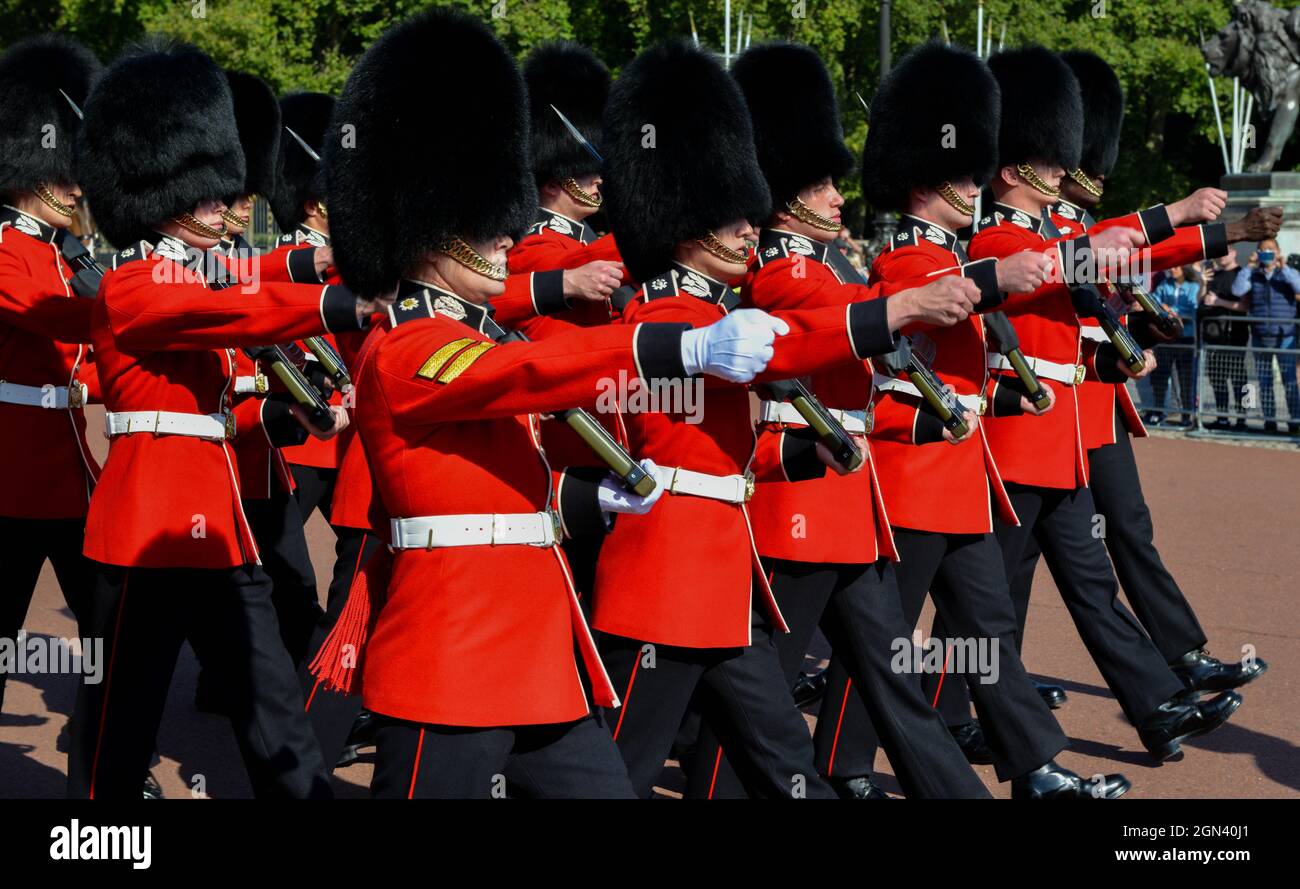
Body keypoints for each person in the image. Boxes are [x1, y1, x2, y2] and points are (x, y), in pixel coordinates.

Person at [310, 9, 785, 798]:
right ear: (430, 231)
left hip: (537, 652)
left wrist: (586, 497)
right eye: (486, 226)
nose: (506, 238)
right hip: (451, 654)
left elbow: (500, 478)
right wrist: (684, 347)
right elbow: (529, 378)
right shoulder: (404, 349)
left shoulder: (484, 334)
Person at [590, 37, 987, 799]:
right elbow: (788, 348)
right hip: (667, 581)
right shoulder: (673, 318)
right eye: (735, 219)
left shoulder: (719, 308)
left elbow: (745, 445)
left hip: (729, 579)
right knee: (618, 769)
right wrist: (902, 306)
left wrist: (807, 455)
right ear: (688, 225)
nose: (751, 229)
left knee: (783, 756)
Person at [65, 36, 376, 799]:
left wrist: (344, 260)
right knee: (120, 719)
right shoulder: (132, 286)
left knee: (273, 705)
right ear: (161, 192)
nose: (226, 209)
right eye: (210, 196)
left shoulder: (195, 268)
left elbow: (258, 272)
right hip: (145, 528)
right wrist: (341, 300)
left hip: (219, 528)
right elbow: (243, 297)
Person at [967, 45, 1243, 763]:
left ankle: (1154, 705)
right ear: (1013, 167)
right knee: (987, 597)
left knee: (1083, 579)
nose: (1064, 171)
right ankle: (950, 712)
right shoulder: (997, 237)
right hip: (1012, 443)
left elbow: (1106, 258)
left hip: (1056, 441)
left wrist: (1215, 234)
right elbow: (1091, 255)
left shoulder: (1045, 231)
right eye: (1050, 161)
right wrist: (1177, 213)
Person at [0, 34, 102, 716]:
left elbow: (86, 359)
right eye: (65, 174)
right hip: (10, 473)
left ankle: (107, 769)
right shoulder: (7, 250)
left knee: (107, 635)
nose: (75, 189)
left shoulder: (62, 254)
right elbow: (59, 322)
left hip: (68, 470)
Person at [1232, 238, 1300, 434]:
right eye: (1263, 250)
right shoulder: (1253, 274)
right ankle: (1269, 421)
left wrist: (1283, 267)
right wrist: (1249, 266)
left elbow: (1299, 287)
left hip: (1285, 335)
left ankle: (1295, 421)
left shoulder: (1288, 273)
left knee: (1290, 382)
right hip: (1261, 334)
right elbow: (1238, 290)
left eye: (1271, 250)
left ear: (1278, 251)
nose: (1267, 253)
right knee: (1264, 382)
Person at [1200, 251, 1251, 429]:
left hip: (1236, 335)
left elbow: (1245, 305)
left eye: (1226, 251)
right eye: (1219, 252)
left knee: (1241, 379)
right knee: (1217, 378)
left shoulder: (1242, 274)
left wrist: (1219, 302)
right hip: (1214, 336)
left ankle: (1244, 418)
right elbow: (1203, 302)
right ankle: (1222, 417)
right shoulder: (1214, 275)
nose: (1221, 255)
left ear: (1235, 252)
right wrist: (1203, 284)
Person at [1148, 265, 1201, 426]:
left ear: (1185, 268)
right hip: (1167, 338)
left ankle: (1187, 414)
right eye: (1171, 267)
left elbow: (1193, 308)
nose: (1172, 269)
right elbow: (1155, 301)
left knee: (1186, 378)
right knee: (1160, 376)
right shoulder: (1165, 284)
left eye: (1177, 267)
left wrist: (1172, 311)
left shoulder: (1194, 286)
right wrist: (1164, 310)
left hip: (1186, 338)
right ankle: (1158, 411)